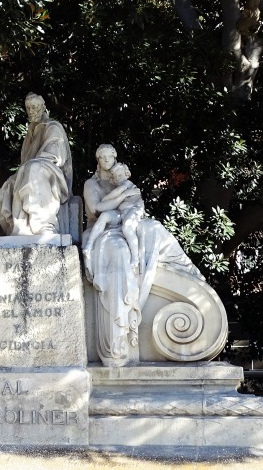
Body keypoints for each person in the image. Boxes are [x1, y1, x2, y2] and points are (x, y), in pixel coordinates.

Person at [82, 144, 203, 367]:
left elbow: (135, 205)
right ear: (97, 160)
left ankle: (187, 270)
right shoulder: (92, 184)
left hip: (126, 224)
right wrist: (123, 196)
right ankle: (118, 335)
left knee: (154, 228)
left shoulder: (123, 180)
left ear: (115, 158)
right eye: (102, 157)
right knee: (120, 252)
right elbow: (97, 209)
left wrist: (125, 197)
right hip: (103, 232)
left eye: (110, 157)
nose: (106, 161)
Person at [0, 92, 73, 236]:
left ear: (43, 108)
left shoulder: (53, 126)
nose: (31, 111)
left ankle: (44, 224)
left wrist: (30, 166)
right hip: (32, 169)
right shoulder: (30, 133)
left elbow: (55, 155)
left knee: (34, 170)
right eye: (28, 108)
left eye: (34, 107)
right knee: (9, 184)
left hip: (52, 173)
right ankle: (19, 227)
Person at [82, 162, 145, 272]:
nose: (117, 179)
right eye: (115, 177)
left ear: (126, 174)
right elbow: (105, 201)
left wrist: (110, 198)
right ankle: (89, 245)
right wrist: (120, 196)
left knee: (127, 227)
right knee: (104, 216)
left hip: (133, 210)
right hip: (121, 212)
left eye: (119, 175)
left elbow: (113, 194)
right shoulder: (94, 183)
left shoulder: (126, 184)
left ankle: (135, 257)